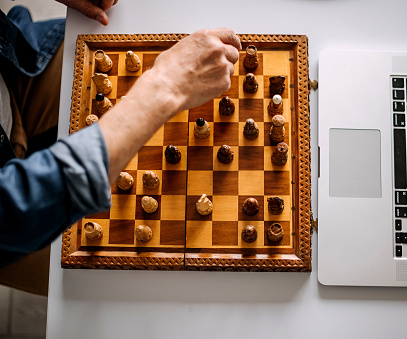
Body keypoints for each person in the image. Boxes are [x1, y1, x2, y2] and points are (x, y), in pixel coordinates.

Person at [0, 0, 241, 294]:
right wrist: (165, 86)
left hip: (14, 63)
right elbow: (14, 207)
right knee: (116, 286)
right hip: (14, 229)